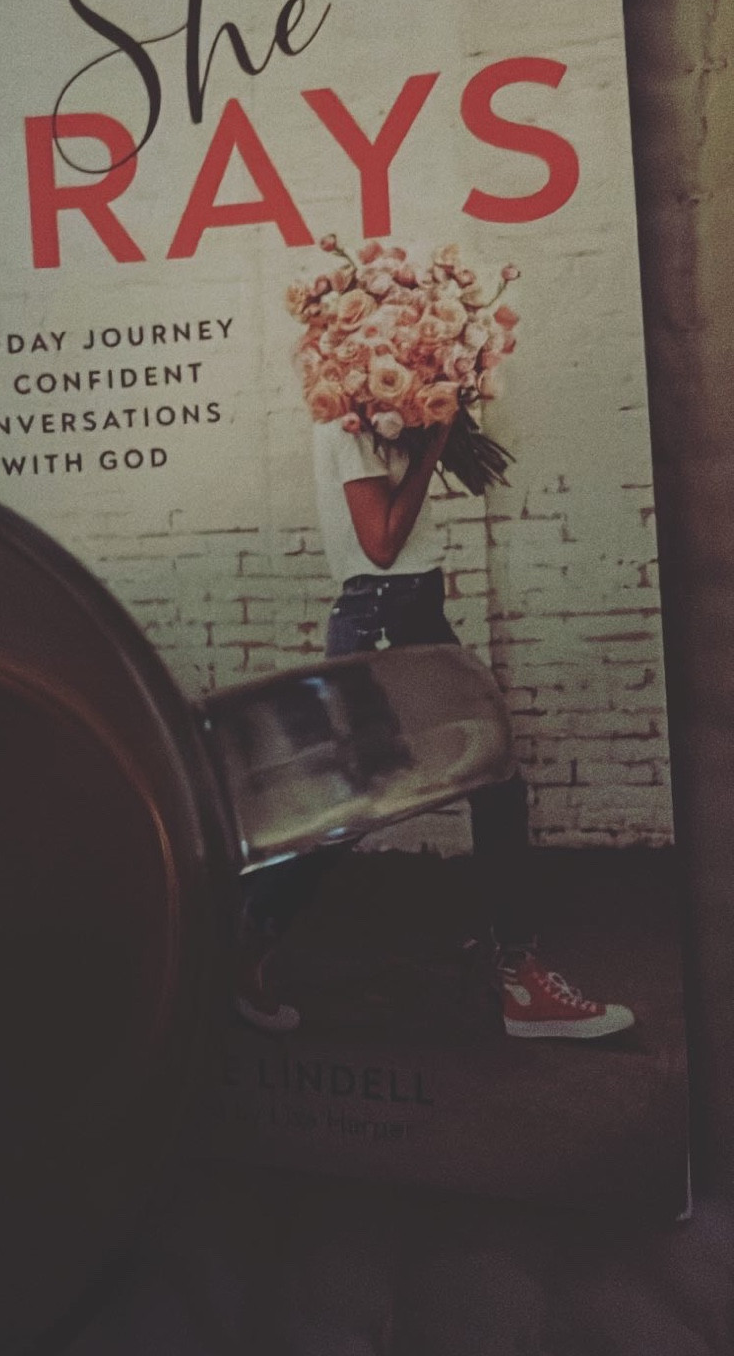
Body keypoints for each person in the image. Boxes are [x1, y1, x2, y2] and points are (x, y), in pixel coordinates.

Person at [235, 416, 636, 1042]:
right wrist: (436, 444)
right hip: (386, 619)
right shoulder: (348, 424)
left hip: (405, 612)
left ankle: (243, 940)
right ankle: (241, 943)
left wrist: (435, 426)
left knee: (475, 786)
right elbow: (381, 544)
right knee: (365, 803)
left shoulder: (376, 416)